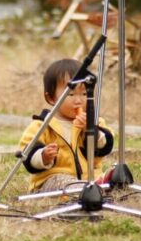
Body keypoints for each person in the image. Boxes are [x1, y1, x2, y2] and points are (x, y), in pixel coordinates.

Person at [18, 58, 114, 193]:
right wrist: (43, 156)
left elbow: (104, 147)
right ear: (51, 98)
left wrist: (91, 130)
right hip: (51, 181)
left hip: (89, 177)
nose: (79, 100)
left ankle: (96, 187)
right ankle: (93, 189)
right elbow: (27, 154)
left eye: (85, 94)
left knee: (113, 178)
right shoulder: (42, 125)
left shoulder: (94, 122)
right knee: (63, 182)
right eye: (71, 94)